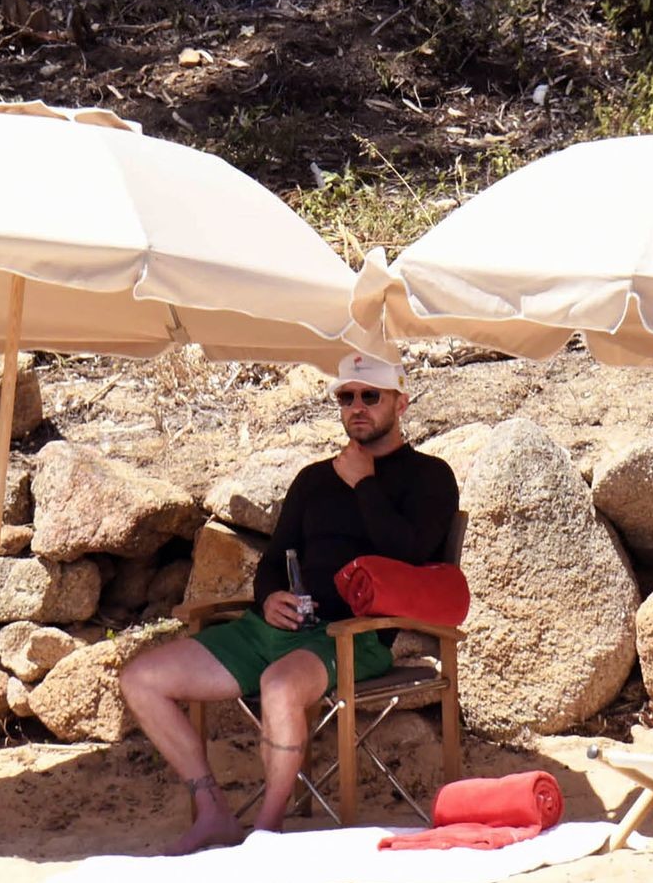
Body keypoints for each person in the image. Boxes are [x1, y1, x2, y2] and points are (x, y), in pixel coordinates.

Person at [120, 352, 459, 855]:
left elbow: (410, 553)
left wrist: (364, 483)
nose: (357, 407)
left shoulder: (429, 476)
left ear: (401, 403)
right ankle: (213, 811)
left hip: (354, 635)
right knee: (141, 679)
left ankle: (267, 832)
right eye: (346, 397)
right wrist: (269, 598)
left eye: (370, 396)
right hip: (275, 628)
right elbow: (276, 558)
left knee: (279, 686)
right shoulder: (314, 479)